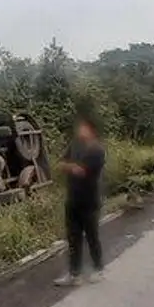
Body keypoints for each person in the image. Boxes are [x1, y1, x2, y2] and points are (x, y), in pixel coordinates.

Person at [54, 116, 107, 286]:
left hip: (89, 201)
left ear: (91, 130)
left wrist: (69, 166)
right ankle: (74, 274)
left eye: (83, 127)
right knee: (73, 238)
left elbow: (81, 172)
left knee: (92, 237)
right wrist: (70, 166)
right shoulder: (75, 145)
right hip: (73, 199)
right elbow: (61, 164)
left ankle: (98, 269)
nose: (79, 130)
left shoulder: (97, 150)